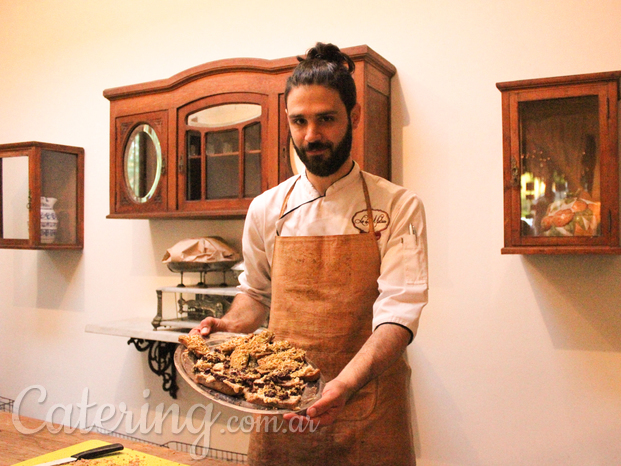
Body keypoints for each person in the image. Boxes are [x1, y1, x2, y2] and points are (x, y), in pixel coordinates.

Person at [191, 42, 428, 465]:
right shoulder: (267, 209)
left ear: (354, 117)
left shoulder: (397, 207)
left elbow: (399, 313)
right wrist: (227, 327)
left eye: (326, 119)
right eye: (299, 121)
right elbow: (257, 296)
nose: (311, 136)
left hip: (369, 412)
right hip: (281, 408)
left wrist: (344, 385)